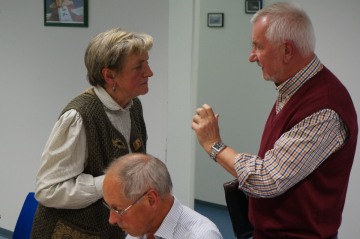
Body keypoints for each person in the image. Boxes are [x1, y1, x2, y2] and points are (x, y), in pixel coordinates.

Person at [192, 2, 357, 239]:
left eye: (258, 46)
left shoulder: (325, 107)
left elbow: (268, 179)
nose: (252, 56)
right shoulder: (291, 88)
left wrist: (214, 145)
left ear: (287, 50)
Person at [31, 28, 153, 238]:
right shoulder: (79, 116)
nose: (149, 72)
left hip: (108, 231)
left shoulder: (134, 107)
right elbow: (47, 190)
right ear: (109, 75)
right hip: (67, 232)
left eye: (147, 62)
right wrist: (111, 182)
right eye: (138, 67)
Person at [102, 153, 224, 239]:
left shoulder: (201, 236)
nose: (111, 220)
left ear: (151, 200)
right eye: (110, 208)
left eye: (118, 210)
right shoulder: (140, 230)